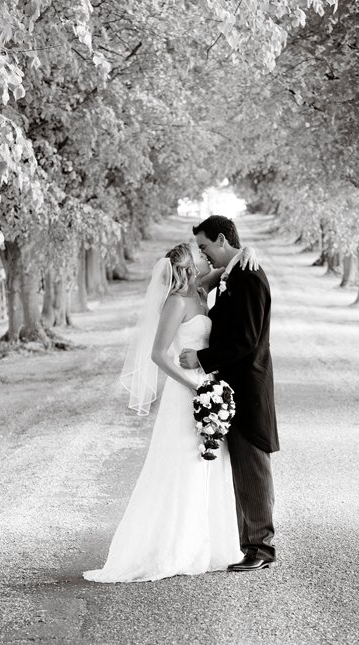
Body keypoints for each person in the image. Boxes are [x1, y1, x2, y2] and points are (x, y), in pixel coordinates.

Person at [83, 241, 256, 583]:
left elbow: (228, 262)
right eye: (200, 256)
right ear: (190, 268)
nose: (206, 258)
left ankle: (208, 545)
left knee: (210, 461)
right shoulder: (177, 303)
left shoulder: (201, 291)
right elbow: (159, 355)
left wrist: (247, 250)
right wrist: (193, 386)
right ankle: (174, 546)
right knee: (184, 463)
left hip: (208, 384)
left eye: (206, 253)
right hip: (186, 392)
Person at [180, 215, 279, 572]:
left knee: (253, 465)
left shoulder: (248, 276)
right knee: (242, 466)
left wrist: (201, 357)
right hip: (233, 385)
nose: (204, 256)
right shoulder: (235, 271)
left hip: (248, 386)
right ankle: (251, 543)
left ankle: (260, 548)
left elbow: (246, 339)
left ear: (222, 239)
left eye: (206, 248)